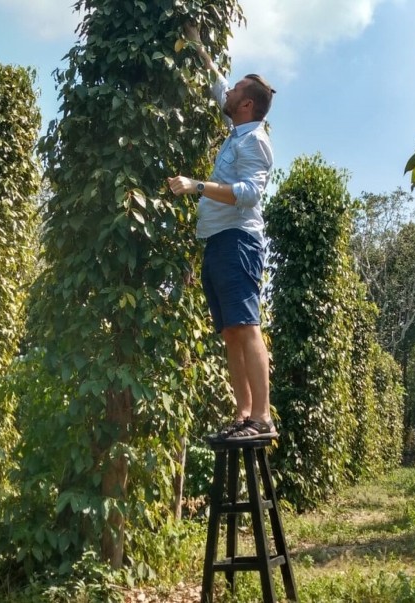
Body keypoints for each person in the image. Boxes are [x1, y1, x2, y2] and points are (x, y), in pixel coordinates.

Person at [167, 25, 276, 441]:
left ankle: (262, 417)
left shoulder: (256, 143)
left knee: (246, 326)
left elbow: (249, 194)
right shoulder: (238, 131)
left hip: (238, 239)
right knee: (230, 329)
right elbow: (217, 86)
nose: (226, 93)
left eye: (235, 92)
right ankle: (244, 412)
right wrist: (197, 44)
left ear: (246, 104)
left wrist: (197, 186)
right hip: (217, 241)